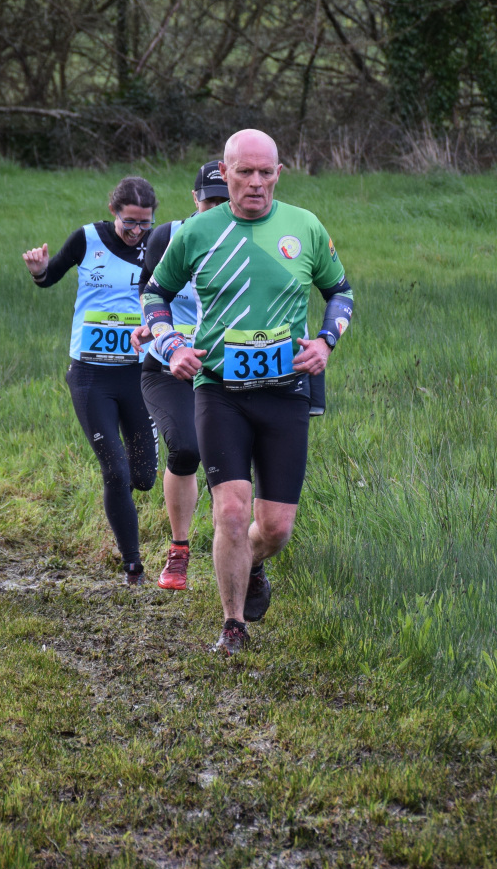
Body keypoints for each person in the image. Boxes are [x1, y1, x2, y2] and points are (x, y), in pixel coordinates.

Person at [141, 130, 355, 653]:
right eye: (244, 172)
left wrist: (326, 341)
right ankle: (232, 625)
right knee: (232, 513)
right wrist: (171, 345)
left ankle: (251, 564)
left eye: (265, 172)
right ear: (226, 172)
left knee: (275, 528)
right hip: (221, 391)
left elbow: (340, 292)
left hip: (285, 392)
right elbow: (154, 295)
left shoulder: (304, 227)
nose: (256, 182)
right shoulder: (197, 232)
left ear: (279, 173)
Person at [23, 176, 159, 585]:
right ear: (113, 212)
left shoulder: (158, 246)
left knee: (143, 477)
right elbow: (50, 277)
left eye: (145, 223)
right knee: (115, 471)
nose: (137, 231)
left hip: (138, 373)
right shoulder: (87, 239)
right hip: (90, 375)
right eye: (129, 222)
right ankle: (133, 566)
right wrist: (39, 270)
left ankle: (123, 504)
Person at [131, 160, 229, 591]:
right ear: (194, 199)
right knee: (186, 449)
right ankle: (179, 549)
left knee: (229, 460)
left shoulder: (248, 239)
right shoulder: (167, 236)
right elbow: (149, 292)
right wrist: (150, 327)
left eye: (224, 201)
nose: (216, 209)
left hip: (222, 368)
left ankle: (244, 555)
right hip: (166, 365)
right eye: (210, 201)